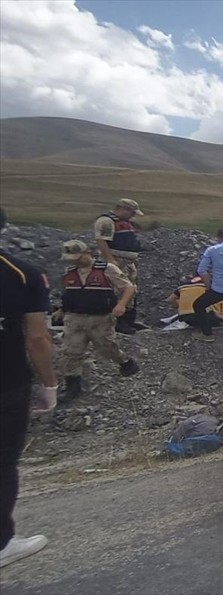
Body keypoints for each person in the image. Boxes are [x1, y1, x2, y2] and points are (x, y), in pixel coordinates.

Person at [0, 209, 58, 568]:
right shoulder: (21, 273)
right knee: (3, 460)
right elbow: (37, 338)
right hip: (7, 381)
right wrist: (50, 384)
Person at [58, 240, 140, 401]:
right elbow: (68, 294)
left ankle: (125, 362)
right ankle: (72, 386)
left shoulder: (107, 269)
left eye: (77, 258)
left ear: (87, 253)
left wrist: (122, 304)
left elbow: (129, 287)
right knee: (70, 351)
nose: (74, 262)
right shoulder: (70, 272)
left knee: (106, 346)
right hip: (75, 318)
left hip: (100, 318)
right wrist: (61, 310)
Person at [94, 198, 146, 334]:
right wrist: (110, 259)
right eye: (131, 212)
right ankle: (118, 322)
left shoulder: (126, 223)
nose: (133, 216)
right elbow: (101, 241)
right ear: (123, 209)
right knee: (119, 290)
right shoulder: (106, 221)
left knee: (132, 289)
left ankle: (129, 320)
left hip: (129, 261)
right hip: (116, 259)